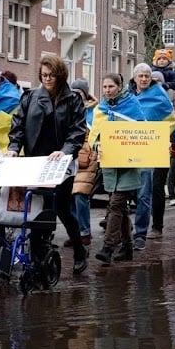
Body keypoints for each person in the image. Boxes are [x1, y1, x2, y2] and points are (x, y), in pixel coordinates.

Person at [6, 54, 88, 274]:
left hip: (61, 161)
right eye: (44, 76)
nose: (48, 79)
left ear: (60, 75)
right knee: (37, 207)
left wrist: (65, 151)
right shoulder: (30, 97)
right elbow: (18, 126)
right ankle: (37, 253)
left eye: (52, 75)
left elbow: (77, 131)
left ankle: (79, 249)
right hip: (36, 161)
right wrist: (14, 148)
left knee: (61, 207)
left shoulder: (73, 100)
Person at [92, 73, 146, 264]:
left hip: (128, 165)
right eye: (104, 87)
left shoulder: (132, 105)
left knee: (115, 204)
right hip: (110, 164)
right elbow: (95, 133)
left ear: (120, 86)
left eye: (111, 87)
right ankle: (128, 247)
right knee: (120, 208)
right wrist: (96, 144)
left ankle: (108, 247)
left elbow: (142, 131)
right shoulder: (101, 109)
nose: (107, 91)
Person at [129, 62, 175, 246]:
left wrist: (155, 134)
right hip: (129, 148)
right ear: (134, 77)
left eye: (146, 76)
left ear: (151, 78)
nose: (143, 79)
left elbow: (171, 121)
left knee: (147, 190)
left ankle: (146, 229)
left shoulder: (160, 96)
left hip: (151, 150)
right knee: (128, 190)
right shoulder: (127, 96)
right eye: (140, 76)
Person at [70, 79, 98, 248]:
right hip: (70, 157)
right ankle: (75, 232)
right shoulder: (67, 109)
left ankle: (84, 232)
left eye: (79, 93)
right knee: (68, 197)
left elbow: (96, 135)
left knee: (80, 195)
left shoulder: (93, 113)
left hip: (86, 158)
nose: (75, 96)